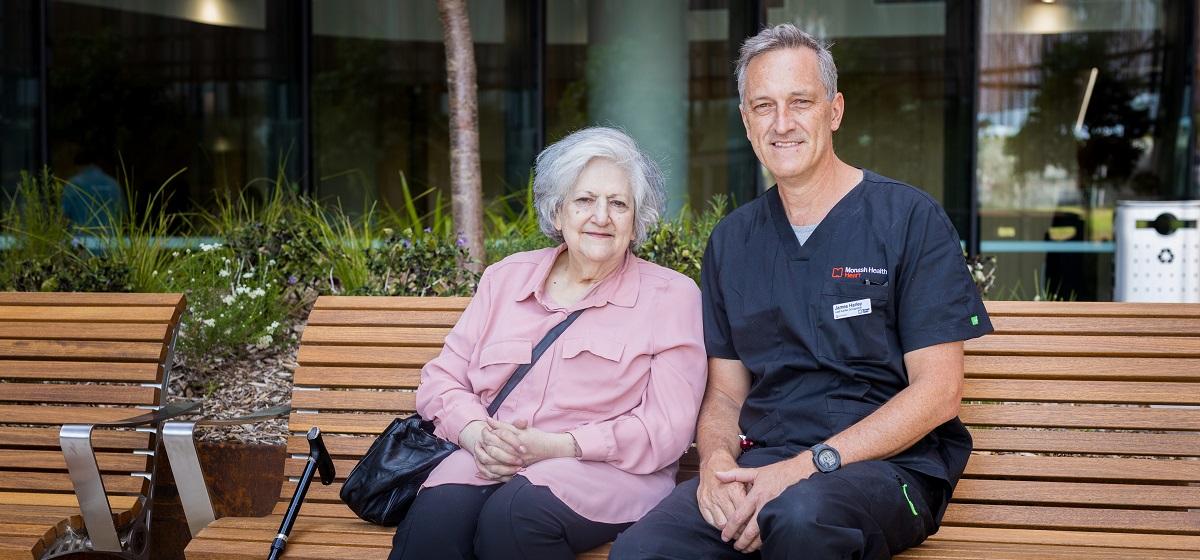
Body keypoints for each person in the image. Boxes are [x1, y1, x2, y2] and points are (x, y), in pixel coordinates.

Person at [611, 24, 993, 559]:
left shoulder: (908, 219)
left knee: (802, 519)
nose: (782, 123)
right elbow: (725, 392)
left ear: (834, 111)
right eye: (763, 106)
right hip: (766, 465)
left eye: (800, 102)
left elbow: (939, 391)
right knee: (646, 550)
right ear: (745, 121)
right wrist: (719, 464)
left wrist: (806, 468)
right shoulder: (734, 241)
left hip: (890, 471)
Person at [389, 127, 707, 560]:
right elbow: (442, 380)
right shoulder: (505, 279)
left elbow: (665, 428)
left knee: (515, 518)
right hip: (494, 456)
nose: (601, 216)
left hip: (608, 471)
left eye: (618, 204)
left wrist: (560, 446)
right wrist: (476, 433)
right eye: (584, 200)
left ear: (636, 223)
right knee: (434, 520)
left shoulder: (671, 296)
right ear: (557, 214)